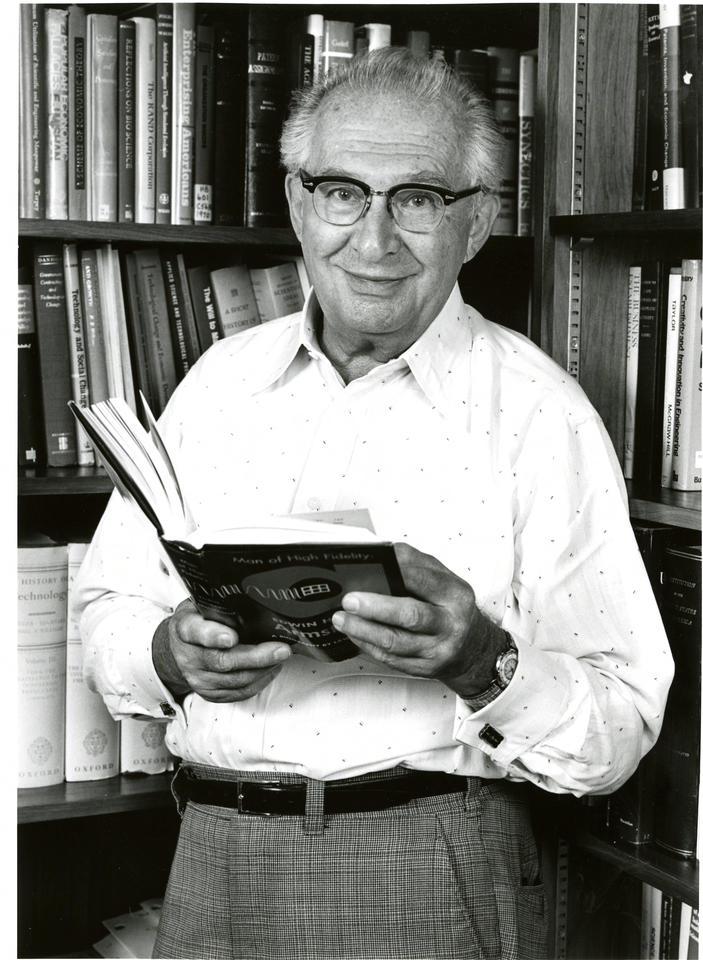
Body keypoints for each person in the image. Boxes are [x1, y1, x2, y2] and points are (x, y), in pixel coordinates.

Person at [75, 48, 673, 960]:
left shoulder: (540, 414)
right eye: (342, 192)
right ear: (297, 204)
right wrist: (169, 654)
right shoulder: (219, 384)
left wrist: (482, 660)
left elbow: (618, 731)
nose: (375, 240)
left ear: (474, 225)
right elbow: (108, 612)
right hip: (208, 854)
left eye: (419, 199)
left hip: (426, 858)